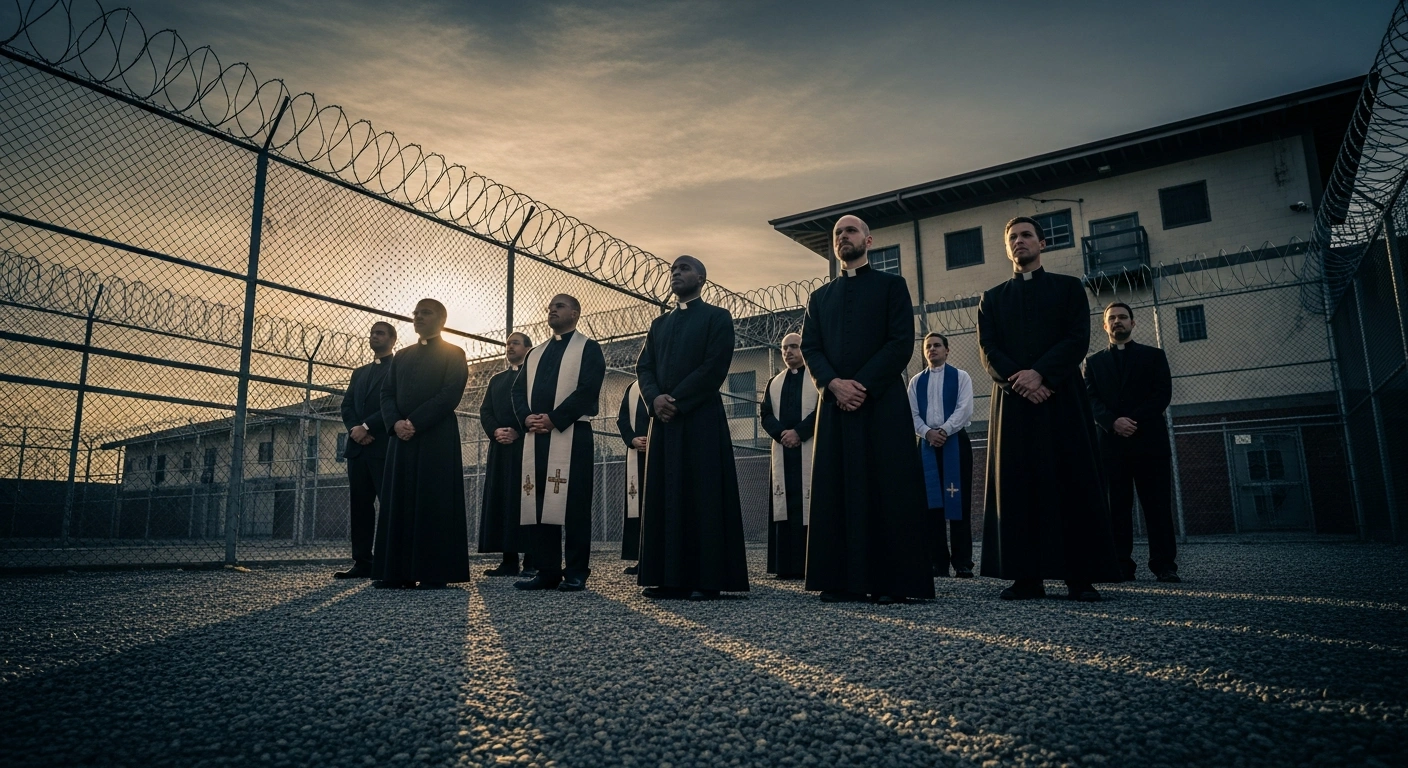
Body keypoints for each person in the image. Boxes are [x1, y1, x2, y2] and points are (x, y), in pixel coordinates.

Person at [977, 217, 1120, 602]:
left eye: (1026, 235)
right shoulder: (991, 298)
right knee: (1018, 485)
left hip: (1060, 400)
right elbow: (988, 351)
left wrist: (1041, 375)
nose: (1019, 242)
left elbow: (1077, 339)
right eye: (1013, 238)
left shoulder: (1069, 288)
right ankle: (1026, 577)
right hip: (1013, 403)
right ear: (1007, 248)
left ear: (1042, 243)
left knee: (1071, 482)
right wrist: (1019, 380)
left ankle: (1080, 576)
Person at [800, 215, 934, 605]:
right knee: (836, 488)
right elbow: (811, 348)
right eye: (838, 233)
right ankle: (839, 580)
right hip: (836, 406)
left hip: (881, 405)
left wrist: (860, 386)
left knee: (887, 487)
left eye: (851, 231)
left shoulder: (893, 286)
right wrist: (833, 385)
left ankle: (893, 582)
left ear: (868, 240)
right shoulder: (819, 298)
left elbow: (899, 342)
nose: (844, 236)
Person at [636, 255, 750, 600]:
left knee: (702, 495)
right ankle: (667, 578)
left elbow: (715, 366)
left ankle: (706, 578)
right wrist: (655, 400)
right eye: (673, 269)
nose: (676, 272)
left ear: (701, 277)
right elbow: (645, 368)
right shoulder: (659, 325)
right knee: (665, 495)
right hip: (665, 424)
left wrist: (676, 401)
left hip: (700, 419)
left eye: (684, 268)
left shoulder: (717, 317)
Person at [372, 299, 471, 589]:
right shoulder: (401, 356)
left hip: (435, 436)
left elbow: (450, 393)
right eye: (415, 314)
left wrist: (414, 421)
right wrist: (395, 424)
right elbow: (386, 394)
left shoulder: (454, 353)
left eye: (425, 314)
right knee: (398, 500)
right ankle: (395, 572)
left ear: (441, 319)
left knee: (433, 500)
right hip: (401, 438)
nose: (417, 318)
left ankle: (432, 572)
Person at [512, 294, 605, 593]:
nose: (551, 309)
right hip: (537, 436)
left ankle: (577, 571)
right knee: (540, 502)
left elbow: (587, 390)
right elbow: (517, 392)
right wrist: (527, 418)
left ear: (575, 313)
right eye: (550, 306)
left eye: (559, 306)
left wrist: (554, 418)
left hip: (572, 434)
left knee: (574, 504)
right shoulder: (535, 353)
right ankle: (547, 570)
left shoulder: (588, 349)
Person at [1084, 302, 1180, 583]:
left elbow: (1162, 395)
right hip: (1111, 446)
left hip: (1149, 442)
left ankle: (1164, 565)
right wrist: (1113, 422)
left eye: (1123, 317)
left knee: (1158, 506)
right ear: (1104, 326)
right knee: (1117, 507)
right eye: (1111, 318)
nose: (1117, 322)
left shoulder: (1154, 357)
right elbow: (1090, 399)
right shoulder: (1093, 362)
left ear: (1133, 323)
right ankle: (1120, 564)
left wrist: (1130, 420)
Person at [906, 331, 975, 578]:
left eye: (937, 345)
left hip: (955, 442)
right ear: (925, 353)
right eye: (928, 347)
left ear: (947, 350)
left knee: (959, 501)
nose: (932, 350)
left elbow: (965, 409)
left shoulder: (961, 377)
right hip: (926, 445)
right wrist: (927, 433)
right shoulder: (915, 382)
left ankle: (963, 562)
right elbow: (911, 414)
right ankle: (938, 562)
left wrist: (944, 430)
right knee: (930, 505)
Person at [334, 321, 396, 579]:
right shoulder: (359, 373)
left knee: (389, 504)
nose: (374, 336)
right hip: (358, 448)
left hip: (382, 446)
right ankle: (362, 561)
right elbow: (347, 405)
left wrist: (368, 427)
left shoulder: (398, 368)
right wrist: (355, 430)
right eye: (371, 333)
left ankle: (388, 562)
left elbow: (393, 404)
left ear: (392, 339)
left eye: (380, 333)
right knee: (360, 506)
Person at [760, 332, 816, 580]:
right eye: (784, 348)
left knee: (809, 504)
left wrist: (799, 433)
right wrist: (783, 434)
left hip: (810, 449)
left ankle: (811, 563)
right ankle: (785, 565)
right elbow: (766, 415)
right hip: (783, 450)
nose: (788, 352)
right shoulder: (774, 382)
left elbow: (822, 412)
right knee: (785, 504)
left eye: (794, 347)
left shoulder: (817, 378)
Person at [478, 332, 533, 576]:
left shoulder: (534, 376)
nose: (509, 347)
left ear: (528, 348)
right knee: (503, 501)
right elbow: (486, 410)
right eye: (507, 343)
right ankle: (508, 560)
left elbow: (537, 408)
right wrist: (495, 431)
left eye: (515, 343)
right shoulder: (497, 380)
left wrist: (518, 432)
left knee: (528, 500)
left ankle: (532, 560)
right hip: (500, 448)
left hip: (527, 447)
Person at [616, 378, 649, 574]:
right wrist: (632, 439)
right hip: (637, 455)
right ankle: (642, 559)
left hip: (662, 454)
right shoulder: (633, 387)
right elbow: (622, 419)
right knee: (638, 505)